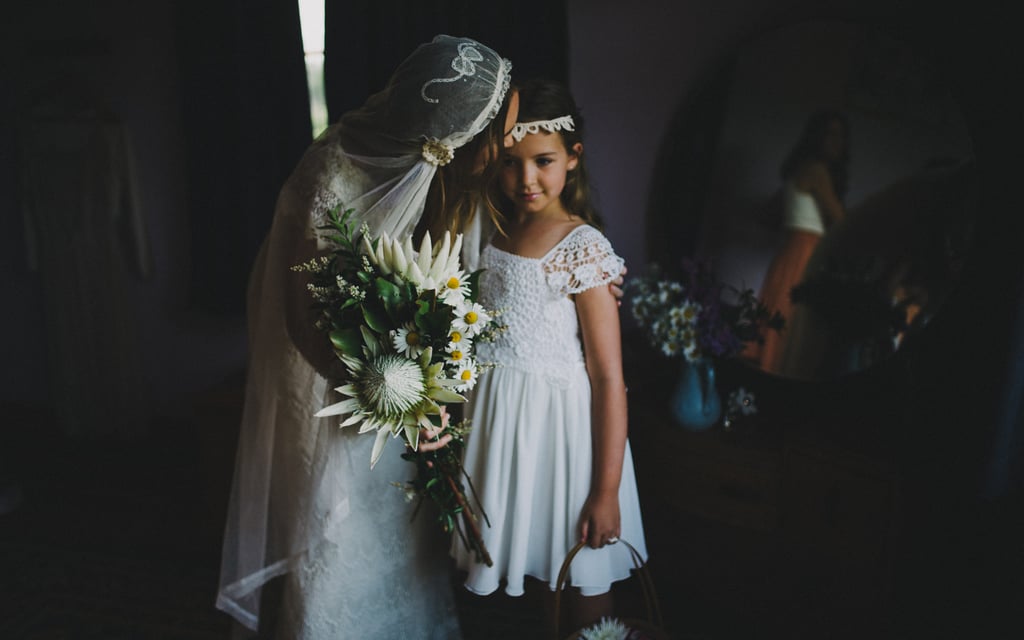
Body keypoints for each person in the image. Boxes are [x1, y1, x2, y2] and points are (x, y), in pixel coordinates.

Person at [216, 35, 517, 640]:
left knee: (403, 535)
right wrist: (395, 395)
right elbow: (300, 317)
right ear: (458, 135)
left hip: (408, 393)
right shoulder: (332, 170)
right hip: (341, 390)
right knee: (341, 532)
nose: (509, 144)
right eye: (501, 132)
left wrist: (429, 394)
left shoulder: (449, 178)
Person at [450, 78, 647, 635]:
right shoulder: (493, 227)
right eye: (510, 163)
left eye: (542, 161)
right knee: (542, 575)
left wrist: (605, 492)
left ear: (572, 159)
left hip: (561, 435)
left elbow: (609, 377)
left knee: (578, 573)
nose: (525, 179)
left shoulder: (582, 247)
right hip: (505, 430)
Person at [751, 109, 849, 375]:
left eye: (840, 136)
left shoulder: (797, 171)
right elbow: (842, 221)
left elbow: (768, 214)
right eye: (830, 134)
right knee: (795, 323)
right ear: (817, 137)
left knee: (781, 315)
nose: (836, 142)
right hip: (807, 253)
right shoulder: (816, 170)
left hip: (790, 252)